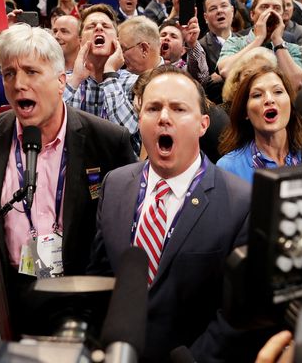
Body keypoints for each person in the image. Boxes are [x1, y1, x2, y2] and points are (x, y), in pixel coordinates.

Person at [0, 23, 136, 337]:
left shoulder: (105, 138)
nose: (18, 84)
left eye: (31, 72)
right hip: (7, 290)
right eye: (9, 73)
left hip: (80, 292)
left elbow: (127, 211)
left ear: (61, 81)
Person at [88, 65, 251, 362]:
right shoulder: (114, 184)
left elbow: (237, 313)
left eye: (178, 109)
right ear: (139, 120)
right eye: (153, 108)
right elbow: (100, 278)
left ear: (203, 124)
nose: (164, 117)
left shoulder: (241, 202)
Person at [65, 4, 139, 154]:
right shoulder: (65, 81)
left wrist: (110, 74)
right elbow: (48, 123)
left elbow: (128, 130)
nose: (99, 28)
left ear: (116, 41)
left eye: (106, 25)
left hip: (119, 170)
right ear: (80, 41)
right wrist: (75, 79)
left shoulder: (134, 83)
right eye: (90, 26)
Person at [217, 65, 302, 183]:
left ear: (290, 103)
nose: (269, 99)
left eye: (278, 91)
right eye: (257, 95)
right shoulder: (228, 168)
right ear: (245, 112)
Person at [218, 0, 302, 92]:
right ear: (252, 14)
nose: (270, 12)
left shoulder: (291, 49)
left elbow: (296, 84)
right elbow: (226, 72)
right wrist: (258, 39)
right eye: (264, 7)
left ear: (282, 16)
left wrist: (277, 40)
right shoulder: (234, 43)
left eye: (276, 8)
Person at [199, 0, 235, 104]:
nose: (219, 11)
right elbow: (205, 88)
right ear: (205, 17)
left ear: (232, 11)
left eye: (224, 6)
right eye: (213, 8)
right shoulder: (199, 47)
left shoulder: (246, 42)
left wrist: (222, 76)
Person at [158, 19, 209, 86]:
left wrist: (192, 44)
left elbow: (202, 77)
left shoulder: (188, 72)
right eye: (163, 35)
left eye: (173, 36)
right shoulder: (147, 66)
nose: (166, 38)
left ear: (183, 50)